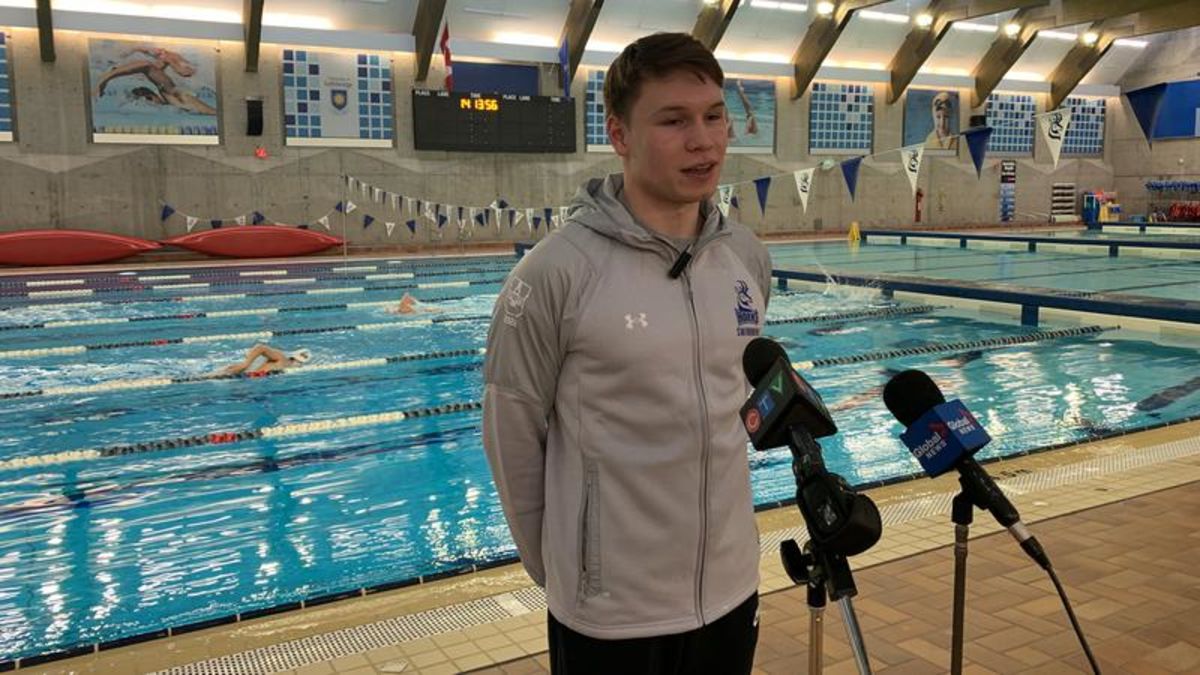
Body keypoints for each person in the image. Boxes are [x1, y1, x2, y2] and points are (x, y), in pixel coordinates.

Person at [482, 32, 772, 675]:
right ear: (619, 134)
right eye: (674, 121)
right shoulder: (556, 272)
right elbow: (511, 434)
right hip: (611, 616)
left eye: (714, 116)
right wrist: (569, 574)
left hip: (731, 587)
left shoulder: (745, 256)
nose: (704, 140)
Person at [94, 45, 217, 116]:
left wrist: (104, 79)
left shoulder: (173, 92)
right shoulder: (172, 96)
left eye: (147, 99)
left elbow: (146, 65)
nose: (148, 102)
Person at [217, 344, 310, 376]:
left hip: (242, 376)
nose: (298, 365)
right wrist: (245, 364)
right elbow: (261, 347)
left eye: (300, 363)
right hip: (236, 372)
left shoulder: (284, 366)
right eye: (298, 362)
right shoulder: (282, 359)